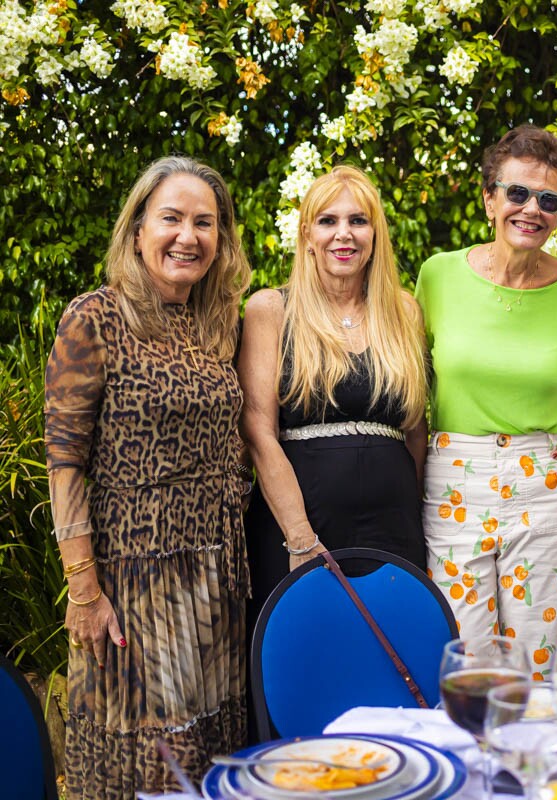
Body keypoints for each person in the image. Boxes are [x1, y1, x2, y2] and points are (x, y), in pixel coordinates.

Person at [44, 156, 251, 797]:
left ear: (220, 241)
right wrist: (83, 586)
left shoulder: (218, 325)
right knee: (149, 762)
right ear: (137, 230)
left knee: (211, 760)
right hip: (134, 585)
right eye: (171, 218)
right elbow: (65, 459)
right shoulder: (95, 317)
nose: (188, 236)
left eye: (204, 223)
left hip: (216, 578)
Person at [415, 125, 557, 666]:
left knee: (537, 661)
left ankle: (536, 753)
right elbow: (410, 374)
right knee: (465, 659)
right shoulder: (438, 278)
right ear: (489, 198)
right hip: (454, 480)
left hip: (545, 483)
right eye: (518, 193)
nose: (532, 209)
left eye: (549, 200)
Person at [240, 165, 428, 625]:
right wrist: (299, 537)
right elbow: (258, 432)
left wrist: (410, 511)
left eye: (357, 221)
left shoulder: (403, 311)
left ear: (375, 234)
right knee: (306, 657)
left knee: (393, 654)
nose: (343, 234)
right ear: (307, 234)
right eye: (328, 221)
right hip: (301, 527)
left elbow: (417, 430)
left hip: (393, 528)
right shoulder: (271, 309)